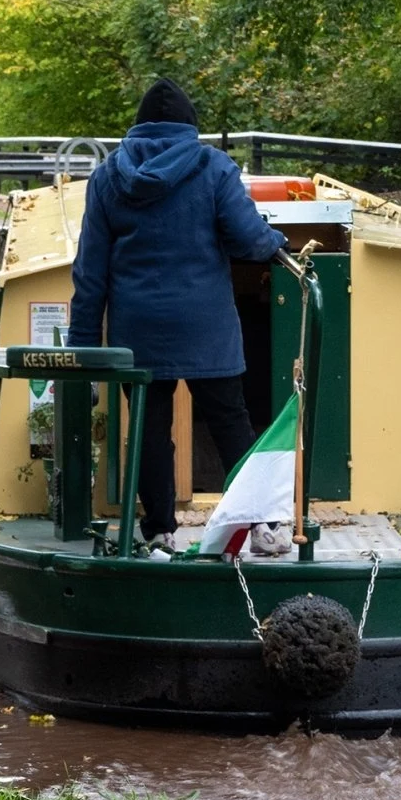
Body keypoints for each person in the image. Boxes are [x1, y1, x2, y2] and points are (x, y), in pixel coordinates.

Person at [68, 78, 287, 548]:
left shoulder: (107, 177)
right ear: (189, 125)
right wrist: (275, 244)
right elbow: (248, 239)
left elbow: (90, 272)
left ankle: (161, 532)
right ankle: (262, 527)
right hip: (205, 325)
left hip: (137, 330)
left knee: (149, 430)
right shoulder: (213, 167)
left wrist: (82, 348)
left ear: (138, 126)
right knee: (231, 420)